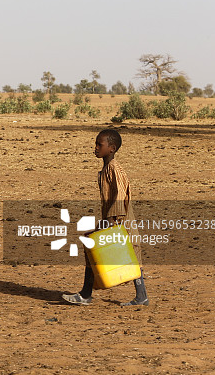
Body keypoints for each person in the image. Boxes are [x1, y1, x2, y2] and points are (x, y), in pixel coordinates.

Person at [62, 129, 149, 306]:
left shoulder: (114, 169)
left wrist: (109, 223)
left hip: (119, 220)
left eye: (99, 145)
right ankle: (140, 296)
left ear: (112, 148)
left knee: (117, 253)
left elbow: (119, 195)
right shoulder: (107, 168)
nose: (95, 148)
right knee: (128, 255)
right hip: (114, 219)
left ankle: (87, 295)